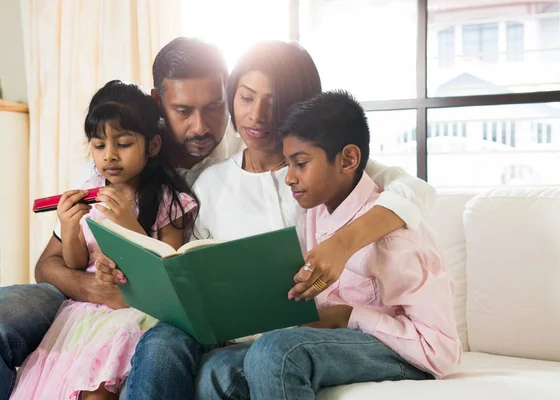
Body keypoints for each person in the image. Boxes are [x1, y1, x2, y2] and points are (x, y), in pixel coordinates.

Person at [0, 38, 434, 400]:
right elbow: (50, 263)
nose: (203, 126)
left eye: (215, 105)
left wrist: (343, 242)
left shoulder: (267, 157)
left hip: (165, 316)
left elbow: (411, 190)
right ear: (158, 105)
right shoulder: (115, 158)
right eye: (183, 111)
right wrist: (90, 286)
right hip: (90, 297)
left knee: (165, 343)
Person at [196, 90, 462, 399]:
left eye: (301, 164)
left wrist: (346, 316)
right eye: (288, 164)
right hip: (337, 342)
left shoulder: (396, 240)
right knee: (215, 368)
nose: (289, 178)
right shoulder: (315, 211)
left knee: (278, 352)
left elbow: (442, 349)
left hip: (399, 353)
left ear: (348, 159)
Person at [9, 80, 198, 400]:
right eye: (99, 146)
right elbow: (77, 264)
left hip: (135, 311)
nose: (109, 156)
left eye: (123, 144)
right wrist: (69, 229)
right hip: (85, 312)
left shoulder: (169, 200)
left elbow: (169, 270)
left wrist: (127, 222)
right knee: (68, 386)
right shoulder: (89, 190)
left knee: (97, 391)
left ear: (151, 146)